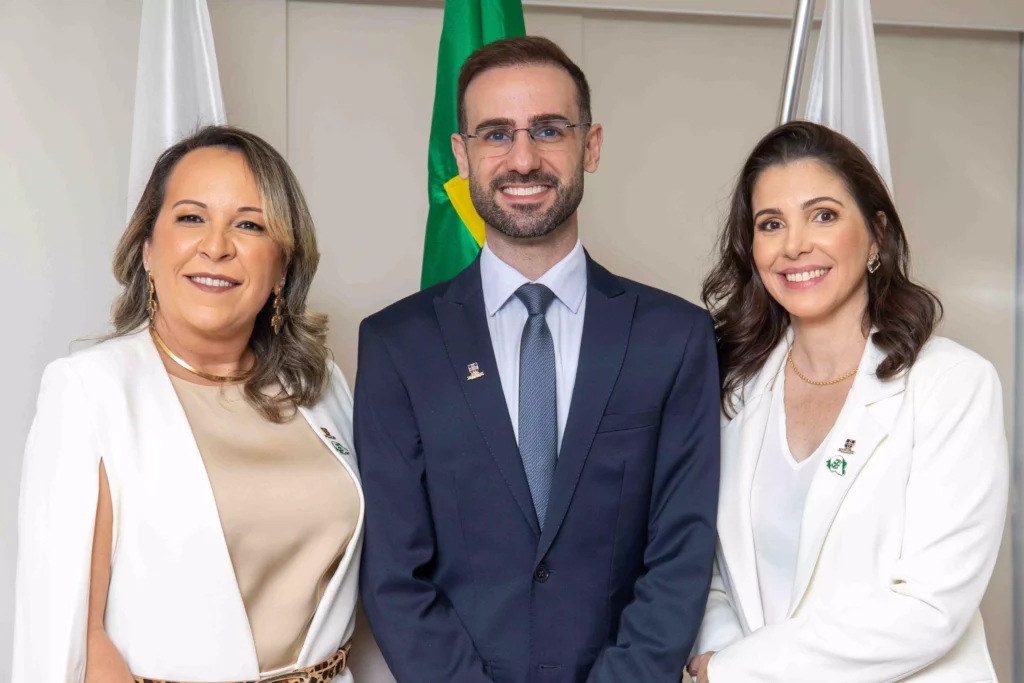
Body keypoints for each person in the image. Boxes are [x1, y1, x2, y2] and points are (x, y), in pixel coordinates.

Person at [355, 36, 719, 683]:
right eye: (496, 134)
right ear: (461, 156)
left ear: (592, 145)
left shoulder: (676, 337)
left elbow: (681, 556)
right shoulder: (396, 345)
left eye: (548, 130)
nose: (523, 159)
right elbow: (393, 575)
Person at [13, 126, 363, 683]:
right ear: (148, 248)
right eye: (191, 217)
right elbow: (74, 635)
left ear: (282, 267)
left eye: (250, 224)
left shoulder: (322, 385)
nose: (217, 246)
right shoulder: (90, 391)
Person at [688, 121, 1008, 683]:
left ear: (877, 233)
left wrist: (737, 671)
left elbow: (930, 608)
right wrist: (716, 658)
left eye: (824, 215)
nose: (794, 245)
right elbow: (714, 574)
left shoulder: (954, 384)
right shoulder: (730, 387)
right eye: (771, 224)